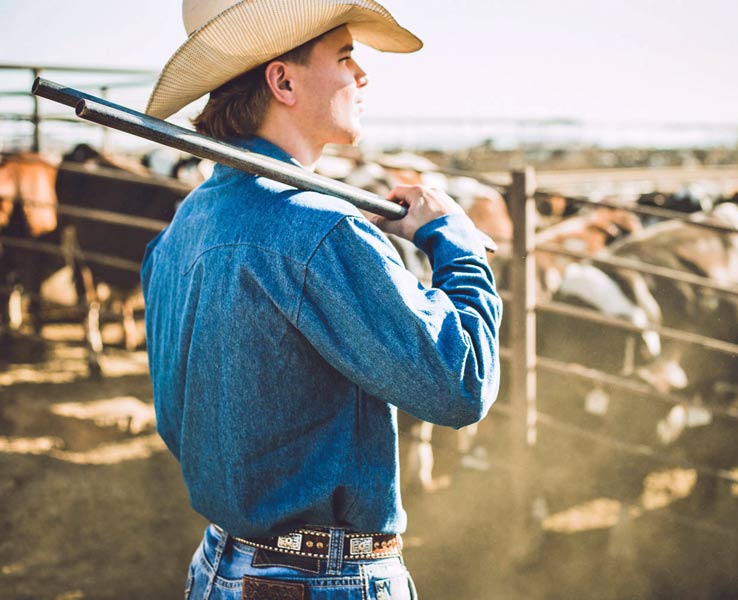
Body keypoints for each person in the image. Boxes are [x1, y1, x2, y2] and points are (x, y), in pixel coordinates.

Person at [141, 1, 502, 598]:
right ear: (282, 80)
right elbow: (461, 384)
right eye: (344, 57)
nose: (363, 76)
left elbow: (182, 422)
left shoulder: (186, 224)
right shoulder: (321, 230)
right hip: (323, 579)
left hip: (218, 566)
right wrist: (457, 248)